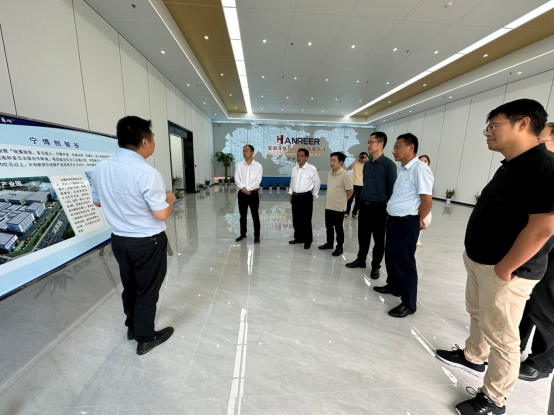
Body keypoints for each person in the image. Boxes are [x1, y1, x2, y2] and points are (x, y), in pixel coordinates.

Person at [435, 99, 554, 415]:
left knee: (502, 338)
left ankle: (494, 398)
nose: (487, 132)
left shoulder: (544, 166)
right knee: (478, 315)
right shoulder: (512, 164)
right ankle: (473, 357)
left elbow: (544, 226)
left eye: (493, 125)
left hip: (507, 271)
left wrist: (505, 268)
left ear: (523, 123)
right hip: (482, 261)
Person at [91, 116, 175, 356]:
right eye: (153, 138)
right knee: (147, 291)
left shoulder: (100, 168)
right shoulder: (147, 172)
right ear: (144, 142)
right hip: (147, 242)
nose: (154, 142)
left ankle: (132, 327)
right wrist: (170, 199)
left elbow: (97, 202)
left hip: (119, 241)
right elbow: (161, 214)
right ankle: (145, 338)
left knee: (130, 287)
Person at [373, 133, 433, 318]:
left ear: (410, 147)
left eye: (397, 147)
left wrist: (418, 220)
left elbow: (427, 201)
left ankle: (408, 303)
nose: (393, 151)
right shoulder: (404, 169)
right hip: (394, 220)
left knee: (405, 262)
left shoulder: (420, 169)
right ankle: (394, 286)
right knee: (392, 256)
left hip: (407, 222)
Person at [519, 122, 554, 382]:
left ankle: (542, 362)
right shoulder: (542, 170)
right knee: (527, 299)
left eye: (541, 141)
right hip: (537, 251)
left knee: (546, 304)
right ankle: (514, 346)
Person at [345, 133, 397, 279]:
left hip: (379, 208)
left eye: (371, 142)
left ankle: (375, 266)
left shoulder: (389, 165)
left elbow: (392, 190)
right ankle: (361, 260)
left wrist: (389, 210)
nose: (368, 145)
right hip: (364, 205)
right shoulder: (367, 165)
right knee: (363, 236)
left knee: (379, 240)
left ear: (381, 144)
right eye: (368, 142)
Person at [318, 152, 353, 257]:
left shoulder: (345, 174)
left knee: (338, 228)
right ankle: (329, 244)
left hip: (338, 207)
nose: (331, 163)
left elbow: (350, 190)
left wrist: (343, 201)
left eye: (334, 161)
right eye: (331, 160)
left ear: (341, 162)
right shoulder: (330, 174)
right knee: (329, 226)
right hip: (328, 205)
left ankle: (339, 247)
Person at [288, 148, 321, 249]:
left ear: (306, 157)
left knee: (305, 219)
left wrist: (313, 194)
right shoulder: (294, 168)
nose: (299, 158)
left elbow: (317, 182)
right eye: (298, 155)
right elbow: (292, 182)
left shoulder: (311, 169)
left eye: (301, 156)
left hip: (306, 197)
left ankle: (307, 240)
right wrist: (291, 194)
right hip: (295, 196)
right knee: (296, 218)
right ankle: (298, 237)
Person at [234, 144, 263, 243]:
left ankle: (257, 236)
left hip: (253, 194)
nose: (244, 153)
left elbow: (258, 181)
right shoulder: (239, 165)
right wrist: (244, 188)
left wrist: (248, 189)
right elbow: (237, 178)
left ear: (252, 152)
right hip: (242, 194)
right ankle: (243, 234)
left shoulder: (258, 166)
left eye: (246, 151)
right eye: (243, 151)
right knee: (242, 215)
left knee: (255, 215)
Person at [344, 152, 368, 219]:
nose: (363, 158)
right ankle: (346, 212)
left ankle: (354, 213)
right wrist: (356, 159)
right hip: (353, 184)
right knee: (350, 199)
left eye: (364, 157)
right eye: (362, 157)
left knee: (358, 201)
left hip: (362, 185)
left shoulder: (367, 165)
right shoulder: (356, 163)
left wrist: (368, 160)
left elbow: (373, 169)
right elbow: (349, 168)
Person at [416, 155, 432, 248]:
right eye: (421, 160)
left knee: (424, 220)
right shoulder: (414, 173)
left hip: (423, 201)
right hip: (415, 202)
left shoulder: (428, 175)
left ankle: (417, 238)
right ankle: (415, 238)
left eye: (425, 161)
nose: (423, 162)